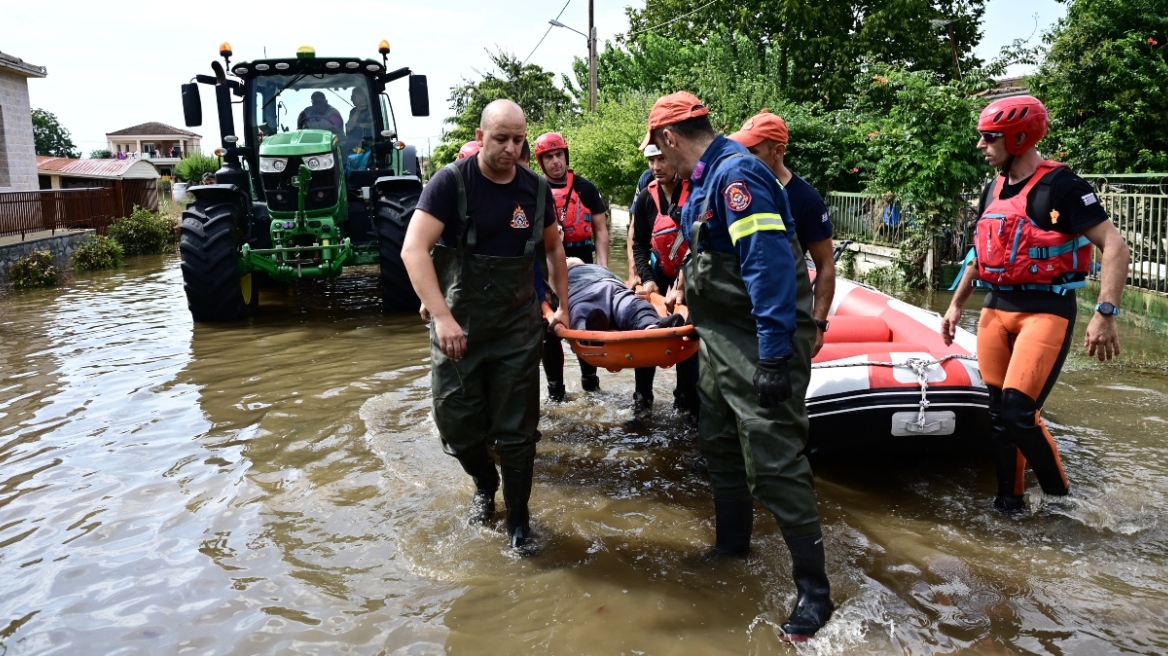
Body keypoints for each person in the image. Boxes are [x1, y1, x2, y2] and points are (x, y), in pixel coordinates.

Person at [645, 91, 832, 641]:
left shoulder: (737, 177)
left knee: (774, 462)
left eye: (659, 150)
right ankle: (731, 550)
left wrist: (774, 355)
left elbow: (768, 269)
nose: (659, 162)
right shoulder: (704, 180)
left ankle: (815, 593)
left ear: (670, 138)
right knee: (721, 448)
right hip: (718, 343)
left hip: (757, 344)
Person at [941, 95, 1130, 515]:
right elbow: (981, 253)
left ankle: (1064, 503)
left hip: (1046, 309)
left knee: (1019, 412)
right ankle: (1009, 504)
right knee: (997, 415)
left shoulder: (1063, 186)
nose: (981, 145)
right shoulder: (992, 188)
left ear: (1019, 138)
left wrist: (1106, 312)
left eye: (990, 137)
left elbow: (1116, 247)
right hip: (995, 308)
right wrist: (955, 306)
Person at [401, 99, 569, 551]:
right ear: (480, 137)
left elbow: (554, 248)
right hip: (459, 326)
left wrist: (563, 306)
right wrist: (440, 314)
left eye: (519, 140)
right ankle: (483, 482)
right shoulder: (450, 183)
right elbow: (413, 249)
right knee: (455, 423)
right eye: (501, 139)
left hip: (517, 328)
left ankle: (518, 521)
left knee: (517, 433)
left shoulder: (535, 190)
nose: (511, 149)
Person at [728, 111, 836, 357]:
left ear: (777, 151)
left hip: (784, 312)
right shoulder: (736, 191)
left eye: (752, 151)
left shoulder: (807, 201)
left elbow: (825, 265)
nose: (742, 156)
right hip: (739, 311)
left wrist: (818, 324)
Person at [534, 132, 611, 400]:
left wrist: (603, 268)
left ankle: (591, 385)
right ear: (541, 162)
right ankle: (556, 392)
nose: (555, 161)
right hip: (547, 271)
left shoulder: (585, 188)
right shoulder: (535, 189)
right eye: (549, 157)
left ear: (566, 156)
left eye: (559, 155)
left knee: (585, 324)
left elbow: (600, 230)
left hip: (583, 266)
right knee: (549, 331)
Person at [629, 143, 699, 425]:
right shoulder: (646, 198)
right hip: (659, 276)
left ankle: (686, 403)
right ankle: (642, 402)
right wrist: (647, 280)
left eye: (662, 159)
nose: (656, 167)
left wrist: (682, 287)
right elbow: (639, 244)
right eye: (651, 161)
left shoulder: (695, 193)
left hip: (690, 277)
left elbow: (698, 244)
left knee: (687, 338)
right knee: (648, 333)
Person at [565, 257, 684, 332]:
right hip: (582, 294)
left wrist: (637, 296)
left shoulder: (599, 269)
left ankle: (652, 327)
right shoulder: (560, 277)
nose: (567, 258)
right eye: (565, 258)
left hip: (614, 289)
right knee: (581, 311)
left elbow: (627, 286)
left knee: (634, 306)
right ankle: (589, 334)